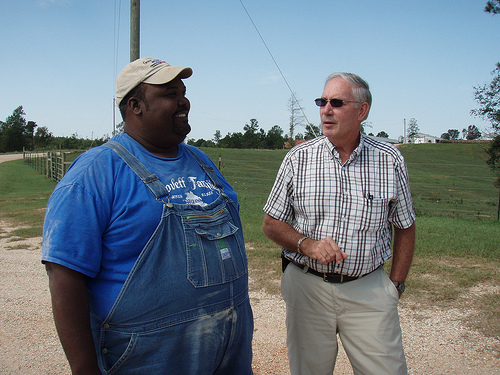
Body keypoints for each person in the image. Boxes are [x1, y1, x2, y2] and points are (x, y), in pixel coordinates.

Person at [42, 57, 253, 375]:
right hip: (149, 359)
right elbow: (65, 274)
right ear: (135, 105)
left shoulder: (202, 161)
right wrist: (84, 369)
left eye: (183, 92)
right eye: (170, 93)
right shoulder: (96, 172)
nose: (183, 101)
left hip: (228, 352)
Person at [262, 72, 416, 375]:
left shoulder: (390, 160)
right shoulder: (299, 158)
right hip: (307, 287)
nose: (325, 110)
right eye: (322, 101)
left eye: (336, 102)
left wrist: (395, 285)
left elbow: (405, 225)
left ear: (362, 111)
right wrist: (307, 244)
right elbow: (270, 224)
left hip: (368, 289)